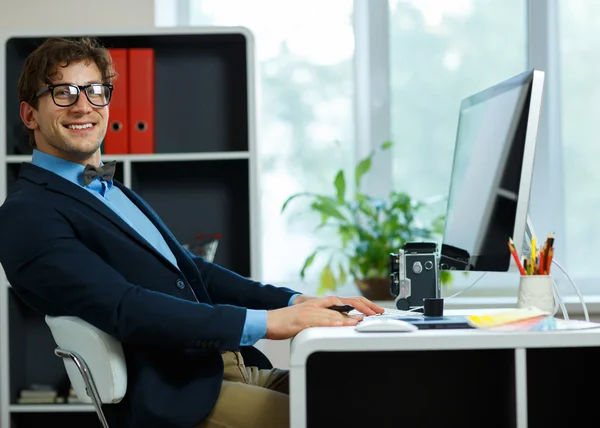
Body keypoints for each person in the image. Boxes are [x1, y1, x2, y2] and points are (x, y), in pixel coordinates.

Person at [0, 37, 384, 428]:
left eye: (95, 91)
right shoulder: (27, 214)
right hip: (180, 399)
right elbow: (125, 308)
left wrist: (297, 301)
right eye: (63, 93)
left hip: (225, 371)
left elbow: (196, 273)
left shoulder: (114, 192)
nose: (84, 105)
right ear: (29, 115)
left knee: (379, 395)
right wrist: (268, 323)